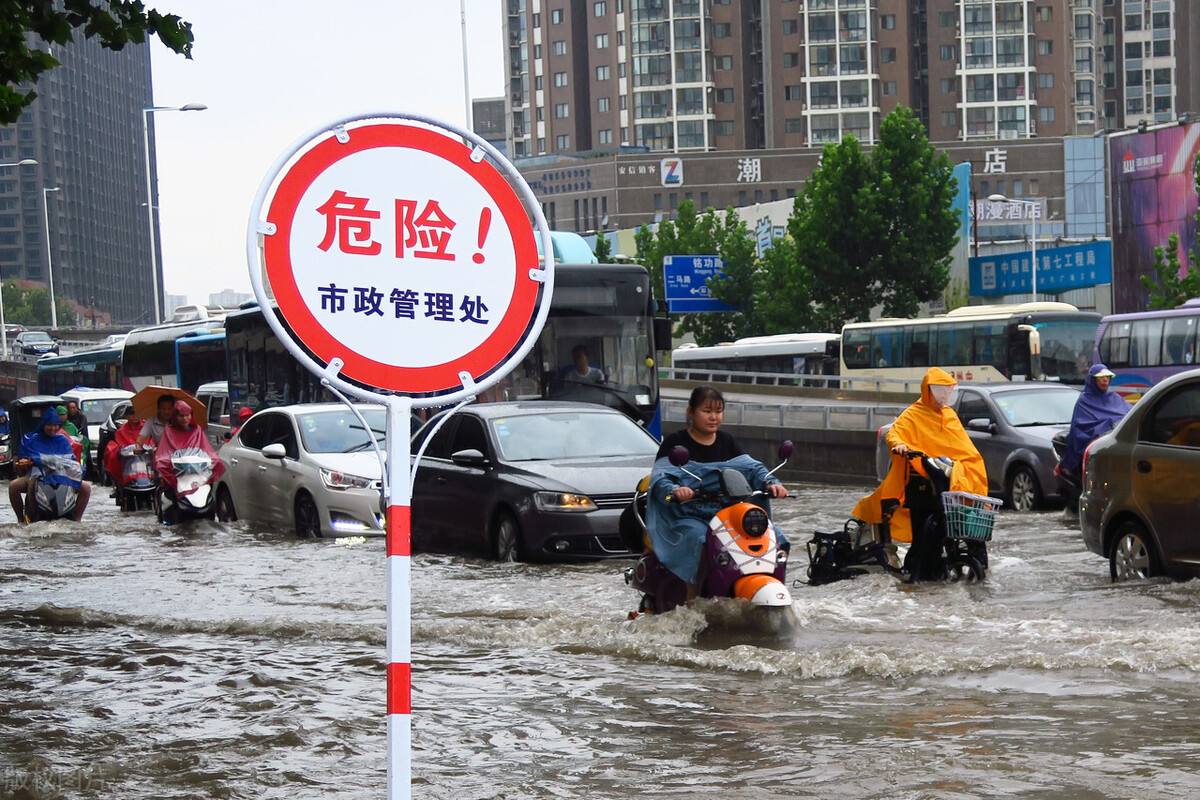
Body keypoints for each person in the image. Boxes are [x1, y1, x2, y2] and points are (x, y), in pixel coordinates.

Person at [647, 386, 788, 599]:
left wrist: (771, 483)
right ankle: (692, 598)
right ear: (691, 412)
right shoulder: (675, 443)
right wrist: (676, 490)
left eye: (718, 411)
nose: (714, 417)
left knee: (775, 536)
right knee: (699, 540)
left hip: (729, 515)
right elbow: (661, 478)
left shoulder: (726, 441)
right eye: (707, 411)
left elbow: (752, 468)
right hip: (691, 515)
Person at [852, 367, 987, 578]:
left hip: (946, 480)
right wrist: (900, 446)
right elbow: (894, 434)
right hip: (922, 485)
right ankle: (922, 575)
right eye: (939, 391)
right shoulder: (913, 414)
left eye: (947, 391)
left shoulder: (949, 415)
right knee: (925, 536)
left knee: (962, 526)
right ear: (928, 391)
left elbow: (963, 448)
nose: (944, 396)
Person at [1059, 364, 1129, 508]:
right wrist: (1105, 426)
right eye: (1101, 377)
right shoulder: (1084, 401)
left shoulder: (1114, 398)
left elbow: (1129, 414)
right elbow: (1080, 429)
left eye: (1107, 377)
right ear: (1093, 380)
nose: (1105, 380)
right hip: (1093, 451)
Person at [8, 408, 91, 522]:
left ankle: (77, 519)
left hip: (61, 473)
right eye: (49, 425)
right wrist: (26, 461)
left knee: (86, 488)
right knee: (15, 486)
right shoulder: (31, 439)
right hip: (37, 473)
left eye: (55, 425)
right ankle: (24, 518)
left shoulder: (62, 439)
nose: (53, 428)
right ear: (43, 425)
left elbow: (70, 458)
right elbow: (23, 458)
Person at [153, 400, 225, 500]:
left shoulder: (197, 430)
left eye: (187, 415)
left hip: (197, 471)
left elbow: (207, 449)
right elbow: (163, 454)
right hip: (177, 474)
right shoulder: (169, 432)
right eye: (181, 416)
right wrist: (164, 462)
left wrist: (213, 459)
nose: (185, 418)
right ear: (175, 417)